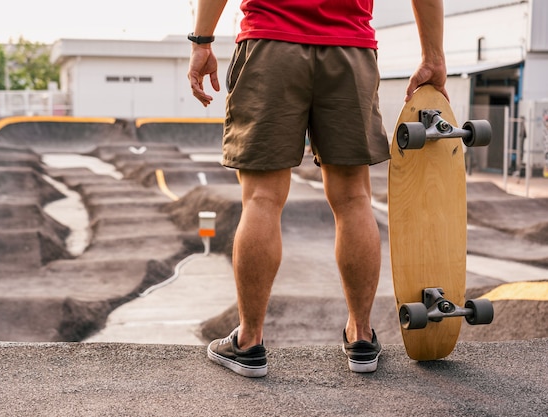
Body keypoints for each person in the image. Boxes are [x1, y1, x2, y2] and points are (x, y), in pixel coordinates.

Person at [187, 0, 448, 377]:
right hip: (350, 48)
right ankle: (360, 336)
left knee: (262, 198)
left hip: (270, 43)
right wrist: (434, 57)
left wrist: (202, 41)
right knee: (355, 198)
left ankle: (249, 342)